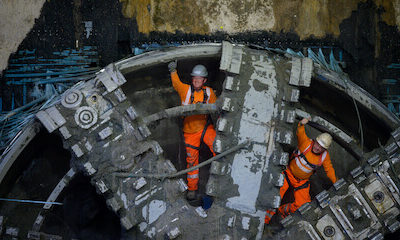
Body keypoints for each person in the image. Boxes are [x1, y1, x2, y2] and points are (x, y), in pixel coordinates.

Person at [265, 117, 337, 224]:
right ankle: (264, 220)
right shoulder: (306, 143)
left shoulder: (324, 157)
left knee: (304, 206)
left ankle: (282, 212)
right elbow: (300, 131)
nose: (317, 148)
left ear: (325, 149)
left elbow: (329, 170)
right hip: (288, 174)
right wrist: (301, 124)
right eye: (317, 144)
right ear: (315, 141)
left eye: (321, 147)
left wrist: (337, 183)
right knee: (274, 198)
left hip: (302, 182)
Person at [168, 61, 217, 200]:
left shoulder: (209, 92)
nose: (196, 81)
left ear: (204, 80)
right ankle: (192, 189)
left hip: (205, 127)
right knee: (192, 161)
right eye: (194, 78)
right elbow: (176, 83)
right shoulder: (186, 90)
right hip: (190, 131)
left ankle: (220, 182)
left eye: (199, 79)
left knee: (218, 150)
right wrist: (173, 70)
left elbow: (217, 107)